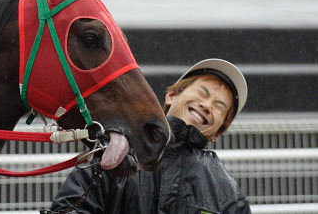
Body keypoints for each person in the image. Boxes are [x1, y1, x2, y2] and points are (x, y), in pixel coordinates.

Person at [48, 58, 251, 214]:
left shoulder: (228, 194)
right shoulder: (116, 154)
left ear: (218, 133)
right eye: (203, 93)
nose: (207, 105)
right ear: (171, 96)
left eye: (219, 106)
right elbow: (68, 208)